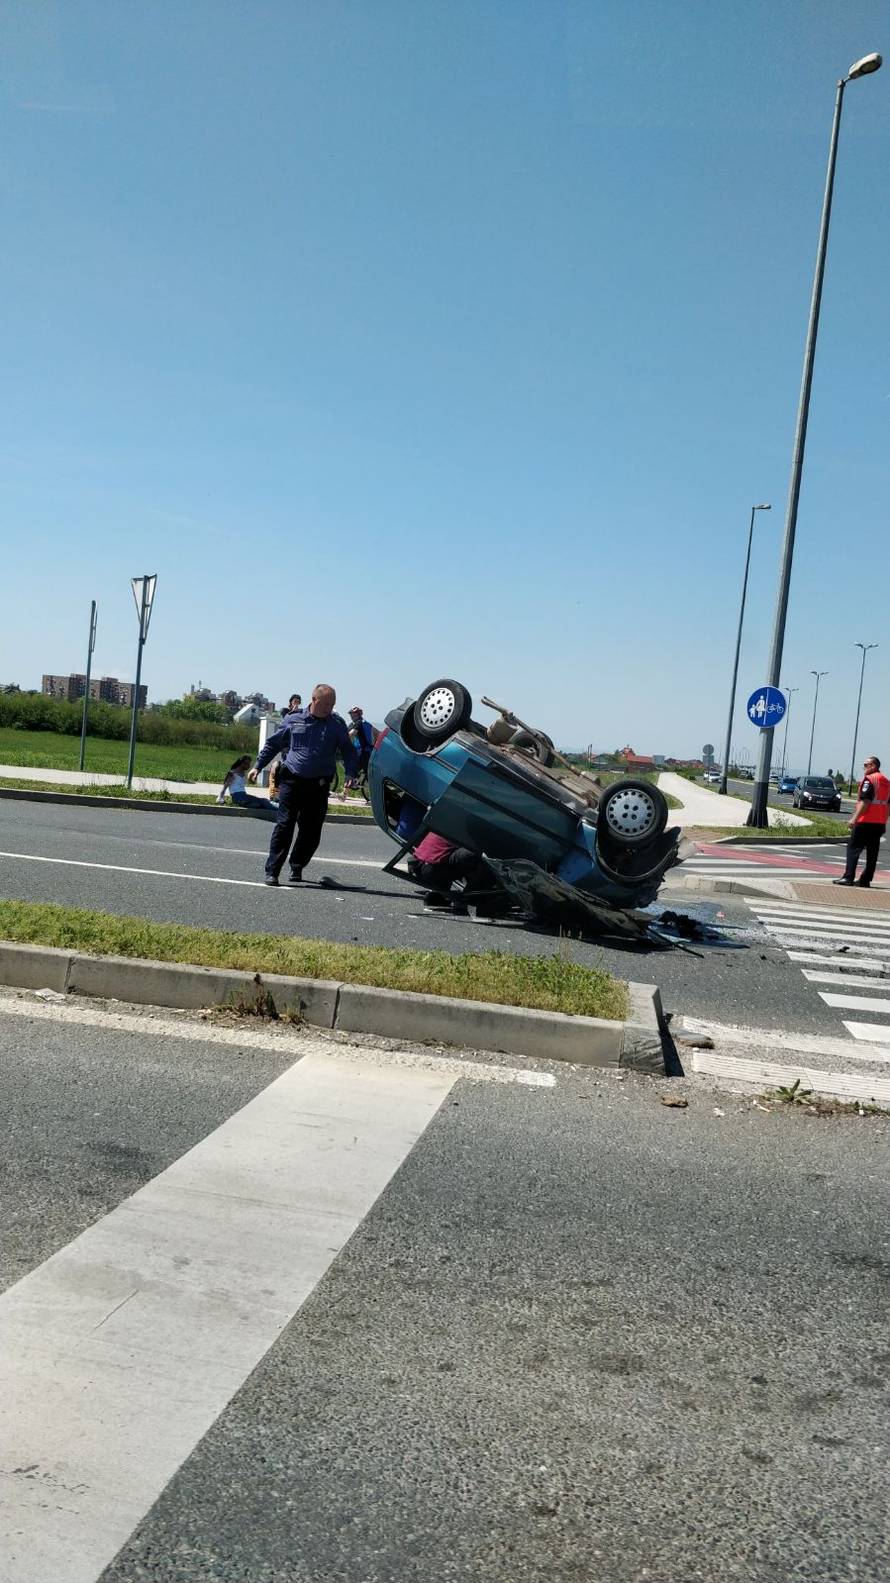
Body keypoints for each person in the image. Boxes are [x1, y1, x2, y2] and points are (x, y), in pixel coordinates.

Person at [248, 683, 359, 885]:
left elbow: (348, 751)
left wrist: (351, 773)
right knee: (284, 825)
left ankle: (297, 866)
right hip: (292, 780)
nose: (330, 708)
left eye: (332, 704)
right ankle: (272, 871)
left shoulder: (336, 724)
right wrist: (258, 766)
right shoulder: (293, 719)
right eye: (326, 703)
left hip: (319, 785)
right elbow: (273, 744)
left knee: (311, 829)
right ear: (314, 700)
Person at [833, 755, 890, 888]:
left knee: (853, 848)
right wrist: (884, 822)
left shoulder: (870, 780)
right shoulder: (887, 782)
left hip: (865, 821)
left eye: (865, 765)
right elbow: (888, 805)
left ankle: (848, 877)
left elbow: (865, 802)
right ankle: (865, 880)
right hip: (878, 823)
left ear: (873, 766)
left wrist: (854, 819)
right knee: (872, 853)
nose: (863, 767)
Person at [409, 831, 491, 912]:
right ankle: (467, 899)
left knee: (459, 853)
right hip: (434, 866)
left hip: (420, 863)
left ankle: (438, 894)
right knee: (485, 856)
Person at [344, 705, 376, 797]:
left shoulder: (358, 723)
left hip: (363, 753)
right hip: (367, 751)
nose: (351, 716)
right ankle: (346, 792)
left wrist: (340, 740)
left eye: (353, 714)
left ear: (358, 714)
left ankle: (375, 797)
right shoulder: (365, 723)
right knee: (355, 772)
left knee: (352, 771)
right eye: (351, 714)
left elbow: (351, 733)